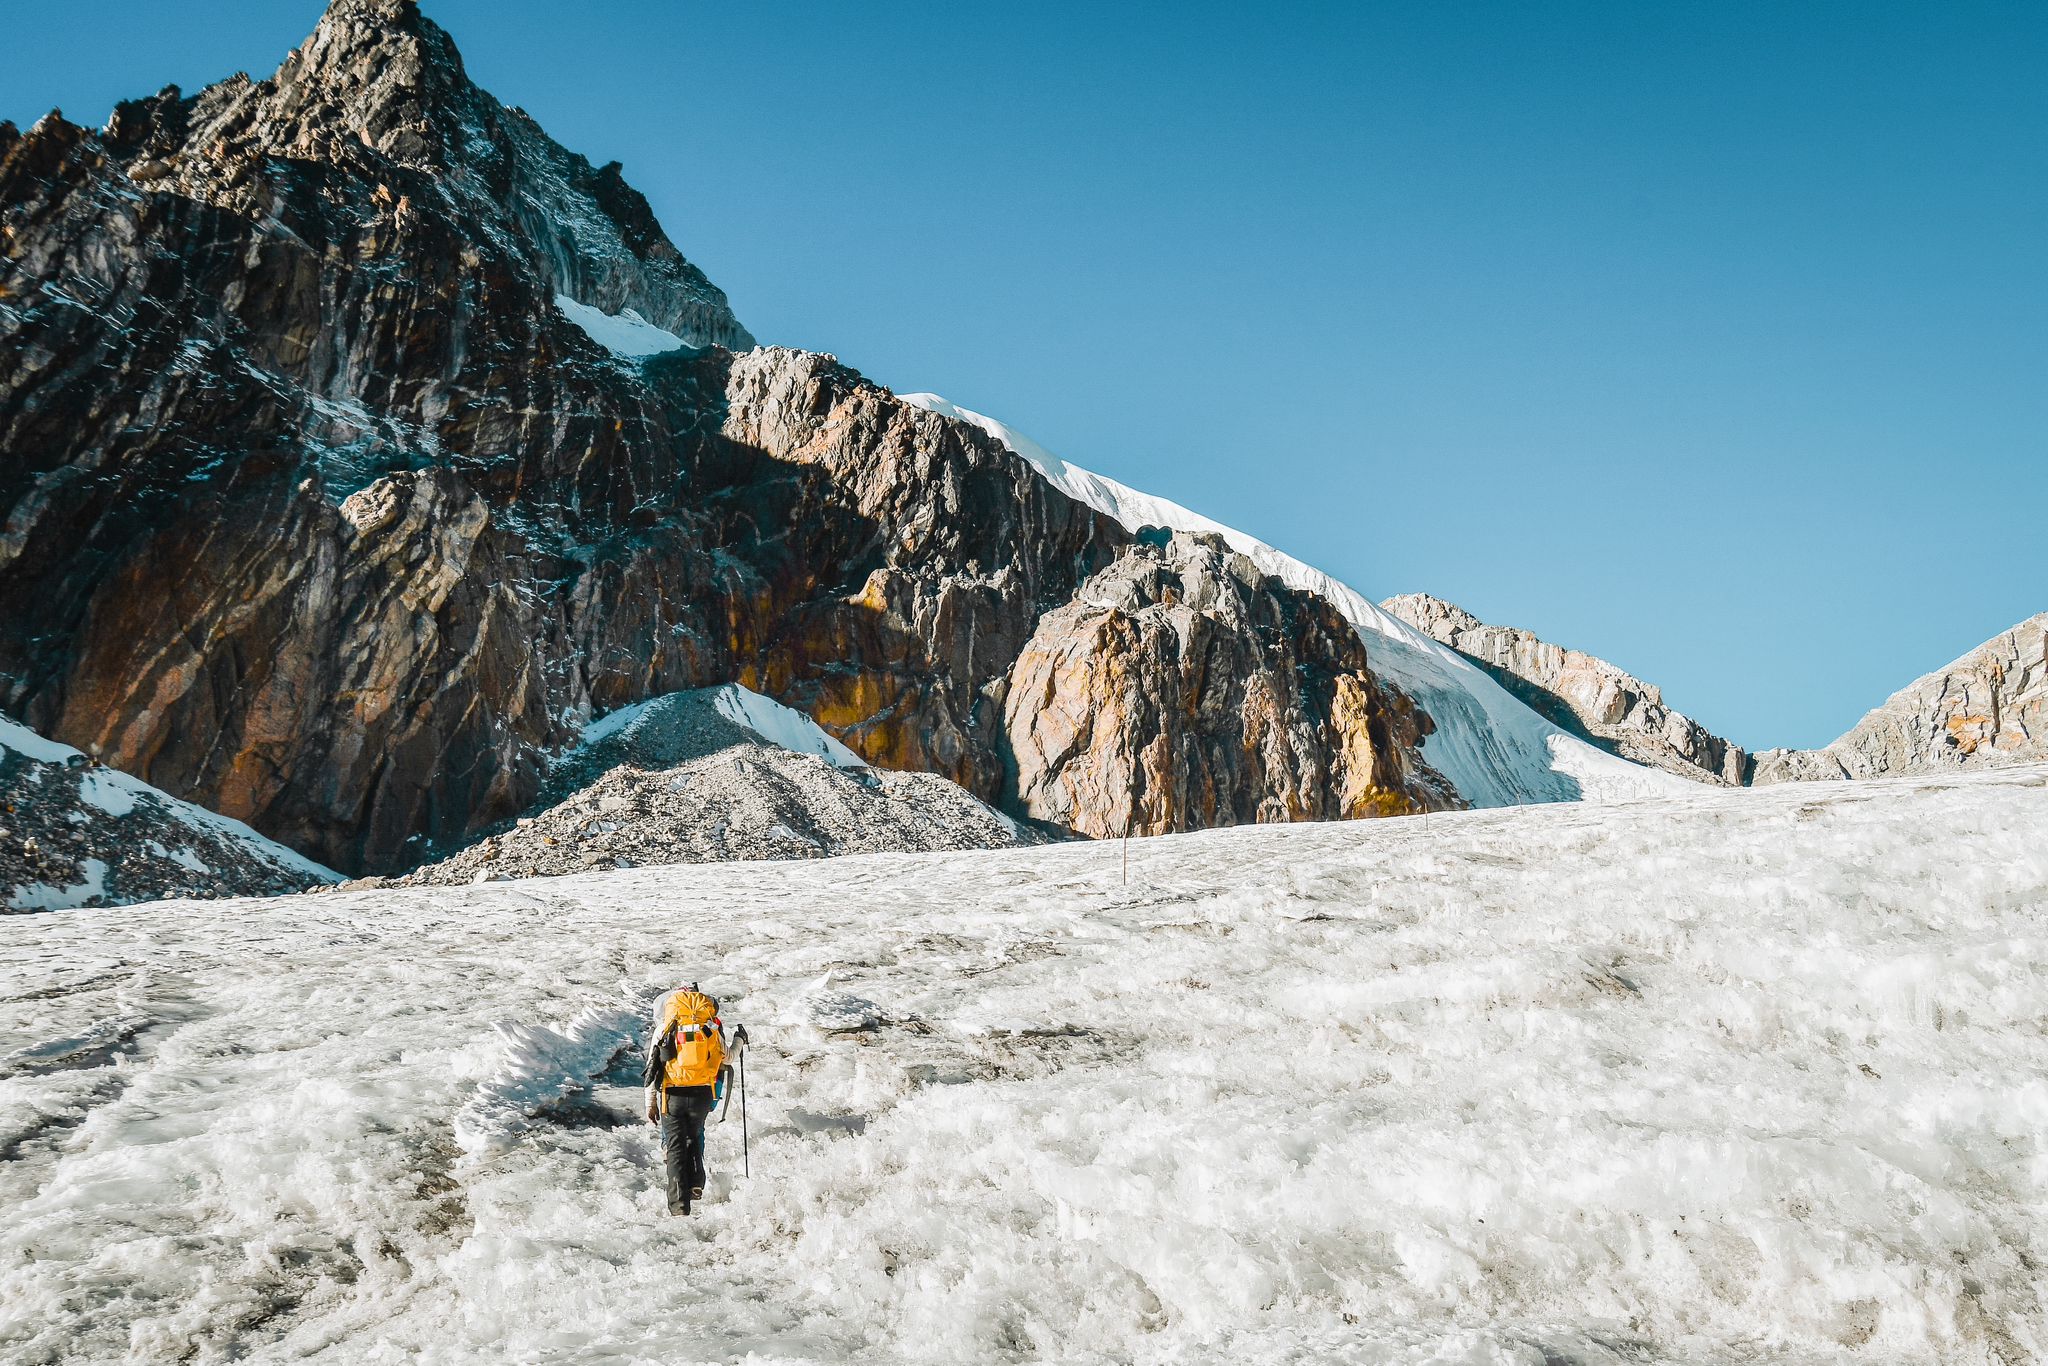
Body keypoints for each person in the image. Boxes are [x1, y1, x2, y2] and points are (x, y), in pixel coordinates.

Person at [642, 986, 746, 1215]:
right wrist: (739, 1039)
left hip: (674, 1095)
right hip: (703, 1095)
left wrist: (650, 1104)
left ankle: (679, 1206)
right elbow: (728, 1058)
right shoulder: (709, 1026)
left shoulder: (665, 1027)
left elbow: (651, 1071)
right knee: (695, 1135)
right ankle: (696, 1183)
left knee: (676, 1146)